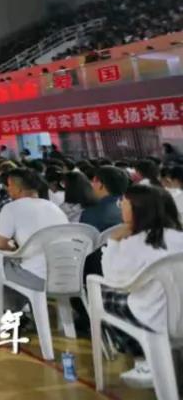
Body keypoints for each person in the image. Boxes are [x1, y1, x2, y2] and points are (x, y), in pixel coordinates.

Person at [100, 185, 183, 388]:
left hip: (156, 320)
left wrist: (114, 241)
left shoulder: (134, 243)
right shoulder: (179, 237)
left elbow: (113, 279)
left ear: (136, 209)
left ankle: (144, 358)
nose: (121, 206)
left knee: (104, 297)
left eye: (124, 202)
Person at [0, 168, 68, 311]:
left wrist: (15, 249)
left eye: (9, 185)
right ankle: (28, 308)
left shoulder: (11, 208)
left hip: (36, 277)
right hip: (66, 274)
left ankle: (14, 313)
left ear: (18, 188)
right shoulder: (54, 207)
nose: (7, 189)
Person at [80, 166, 128, 231]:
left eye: (93, 181)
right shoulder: (134, 208)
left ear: (100, 184)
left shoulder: (91, 213)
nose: (91, 185)